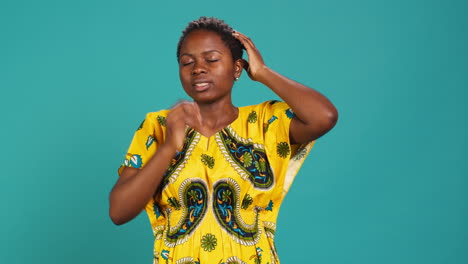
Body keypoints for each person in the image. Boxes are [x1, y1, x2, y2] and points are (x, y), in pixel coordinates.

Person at [109, 16, 338, 264]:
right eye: (187, 62)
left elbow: (324, 117)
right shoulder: (159, 125)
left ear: (237, 68)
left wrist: (263, 73)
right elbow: (119, 212)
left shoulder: (266, 122)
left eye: (212, 59)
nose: (198, 68)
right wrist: (168, 147)